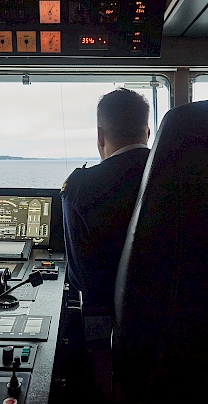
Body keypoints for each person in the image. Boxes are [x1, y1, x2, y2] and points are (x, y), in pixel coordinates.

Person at [61, 87, 151, 313]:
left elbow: (80, 279)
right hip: (182, 322)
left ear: (100, 136)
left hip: (113, 326)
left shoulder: (80, 186)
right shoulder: (183, 178)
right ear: (148, 133)